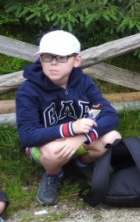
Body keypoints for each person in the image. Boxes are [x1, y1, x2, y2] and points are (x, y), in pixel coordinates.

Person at [16, 30, 122, 206]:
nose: (53, 63)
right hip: (46, 143)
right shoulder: (28, 91)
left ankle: (83, 164)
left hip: (79, 137)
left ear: (76, 60)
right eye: (47, 57)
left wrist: (82, 137)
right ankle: (53, 174)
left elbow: (107, 113)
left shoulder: (84, 83)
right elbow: (27, 135)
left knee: (113, 138)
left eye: (61, 57)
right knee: (53, 152)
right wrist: (70, 128)